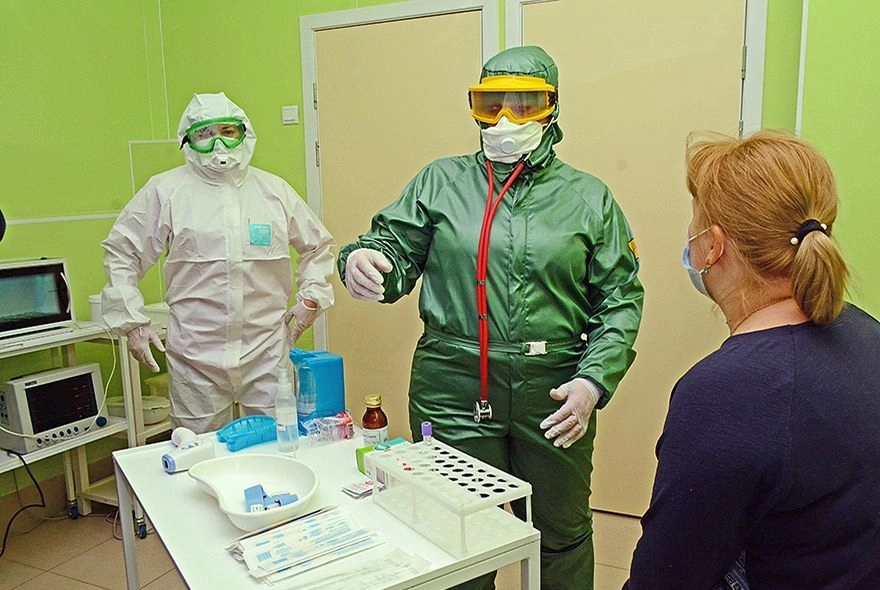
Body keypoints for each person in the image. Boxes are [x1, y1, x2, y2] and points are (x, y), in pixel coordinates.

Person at [338, 46, 643, 589]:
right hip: (452, 383)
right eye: (490, 104)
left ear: (552, 108)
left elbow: (619, 298)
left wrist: (593, 382)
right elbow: (392, 250)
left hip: (554, 390)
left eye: (523, 105)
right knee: (456, 531)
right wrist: (363, 260)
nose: (505, 120)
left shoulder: (588, 198)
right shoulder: (440, 182)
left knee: (561, 531)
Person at [625, 130, 880, 589]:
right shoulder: (866, 332)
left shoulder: (727, 392)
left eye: (694, 222)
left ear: (713, 246)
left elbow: (665, 578)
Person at [101, 92, 335, 434]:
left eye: (227, 132)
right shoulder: (166, 191)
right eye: (204, 134)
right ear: (188, 140)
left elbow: (318, 246)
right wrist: (131, 321)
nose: (218, 144)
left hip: (266, 352)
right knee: (199, 453)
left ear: (244, 133)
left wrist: (311, 299)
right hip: (196, 359)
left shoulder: (274, 192)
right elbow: (123, 251)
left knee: (276, 444)